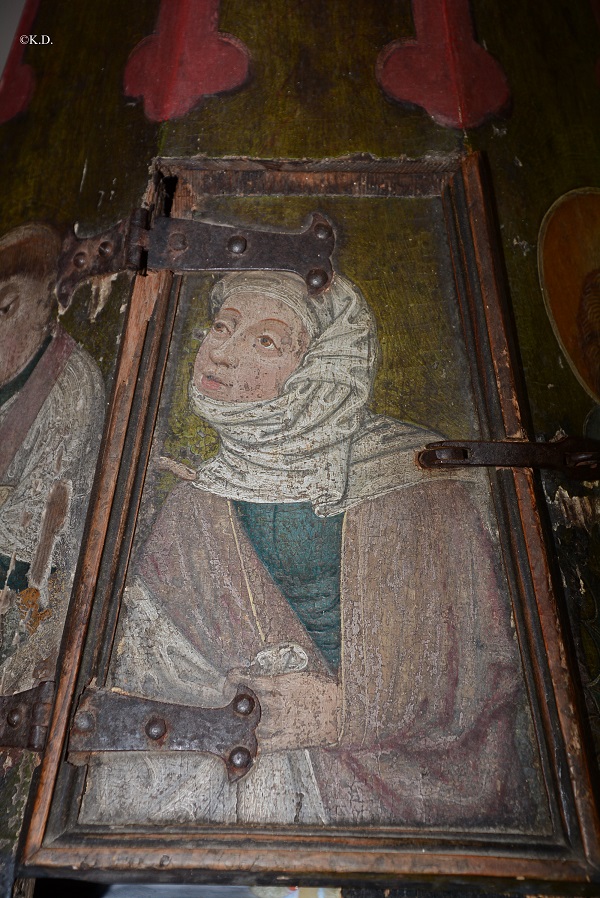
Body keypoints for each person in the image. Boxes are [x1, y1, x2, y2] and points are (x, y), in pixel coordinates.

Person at [82, 270, 546, 831]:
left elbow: (484, 662)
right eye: (222, 327)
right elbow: (147, 658)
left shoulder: (416, 484)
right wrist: (230, 707)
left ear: (322, 369)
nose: (222, 355)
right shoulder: (194, 505)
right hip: (238, 796)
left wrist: (342, 714)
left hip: (404, 802)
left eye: (264, 341)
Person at [0, 223, 105, 691]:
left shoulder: (66, 386)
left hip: (27, 613)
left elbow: (25, 546)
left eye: (3, 308)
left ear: (33, 307)